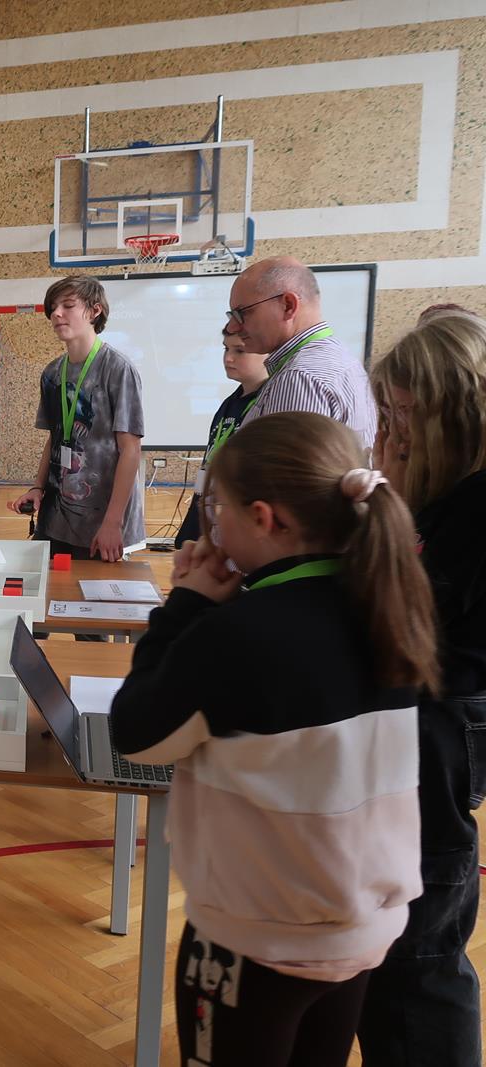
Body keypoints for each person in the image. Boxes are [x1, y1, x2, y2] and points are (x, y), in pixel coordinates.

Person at [109, 412, 435, 1067]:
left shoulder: (235, 635)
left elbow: (136, 735)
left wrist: (186, 605)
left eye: (217, 510)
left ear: (263, 518)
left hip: (256, 942)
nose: (210, 526)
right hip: (362, 928)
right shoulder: (391, 603)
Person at [357, 312, 486, 1066]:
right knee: (400, 955)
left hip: (435, 745)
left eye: (403, 415)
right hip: (416, 738)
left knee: (421, 957)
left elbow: (407, 623)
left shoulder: (475, 508)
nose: (391, 433)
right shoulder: (445, 498)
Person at [6, 275, 145, 563]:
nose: (56, 314)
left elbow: (130, 450)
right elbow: (55, 438)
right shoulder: (52, 374)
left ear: (95, 311)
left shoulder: (117, 369)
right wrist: (37, 487)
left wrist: (113, 523)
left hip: (102, 524)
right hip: (55, 519)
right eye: (53, 308)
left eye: (68, 306)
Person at [224, 255, 376, 447]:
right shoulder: (339, 359)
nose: (232, 327)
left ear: (288, 305)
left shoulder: (300, 377)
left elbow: (285, 466)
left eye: (242, 313)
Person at [175, 334, 270, 546]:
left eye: (239, 351)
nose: (228, 358)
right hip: (207, 506)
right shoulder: (230, 402)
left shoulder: (266, 405)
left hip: (232, 515)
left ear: (268, 354)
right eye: (226, 349)